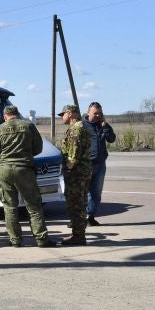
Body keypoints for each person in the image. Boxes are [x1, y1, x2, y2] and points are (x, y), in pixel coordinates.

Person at [0, 105, 56, 247]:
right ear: (17, 114)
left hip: (6, 170)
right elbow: (38, 148)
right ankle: (41, 239)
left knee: (9, 206)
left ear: (5, 116)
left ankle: (15, 240)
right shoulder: (28, 126)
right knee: (33, 205)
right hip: (24, 169)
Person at [58, 104, 91, 246]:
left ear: (70, 113)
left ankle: (78, 235)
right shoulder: (81, 127)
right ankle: (78, 233)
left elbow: (73, 155)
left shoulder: (76, 129)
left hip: (76, 173)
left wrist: (68, 168)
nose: (62, 117)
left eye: (63, 114)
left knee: (76, 203)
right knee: (81, 202)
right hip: (82, 171)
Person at [81, 101, 116, 225]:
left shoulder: (102, 125)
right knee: (83, 192)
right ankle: (79, 218)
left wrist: (105, 126)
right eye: (95, 113)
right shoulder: (81, 126)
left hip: (100, 164)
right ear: (88, 112)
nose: (97, 115)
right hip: (86, 164)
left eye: (100, 113)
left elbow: (111, 139)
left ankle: (90, 216)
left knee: (96, 192)